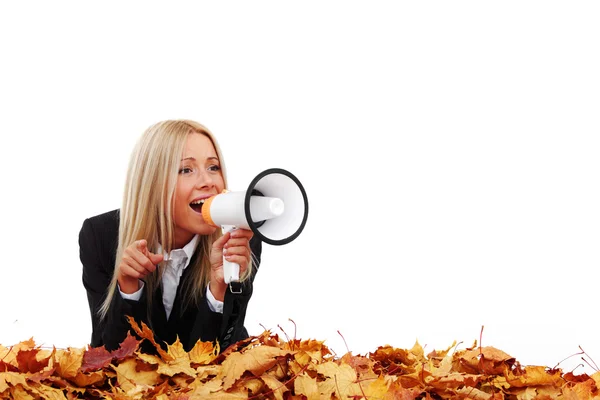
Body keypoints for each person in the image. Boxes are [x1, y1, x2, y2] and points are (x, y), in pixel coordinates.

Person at [79, 120, 261, 353]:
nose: (208, 182)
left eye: (213, 167)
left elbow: (224, 356)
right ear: (152, 182)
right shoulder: (100, 236)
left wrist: (217, 289)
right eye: (186, 169)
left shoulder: (241, 239)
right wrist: (128, 289)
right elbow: (106, 357)